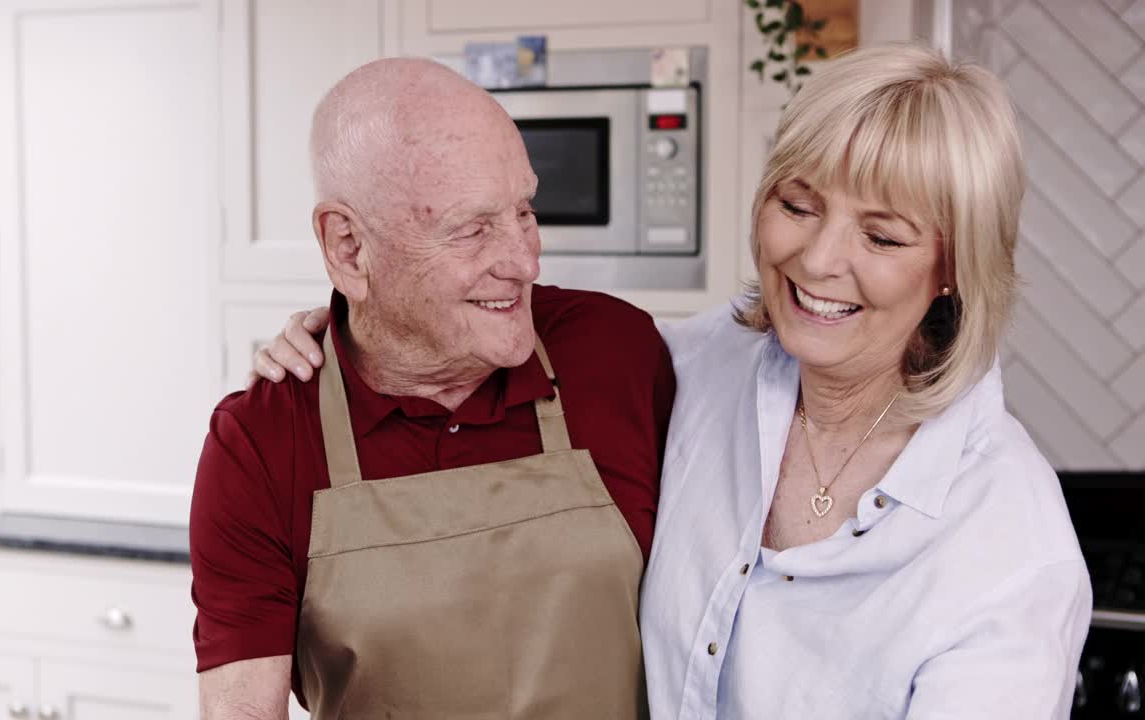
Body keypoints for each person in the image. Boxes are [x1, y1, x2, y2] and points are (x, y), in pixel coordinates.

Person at [252, 43, 1091, 718]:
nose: (818, 259)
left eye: (883, 237)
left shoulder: (1009, 551)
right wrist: (352, 320)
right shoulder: (688, 368)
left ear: (953, 266)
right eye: (798, 205)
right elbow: (459, 321)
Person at [190, 57, 673, 720]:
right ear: (349, 249)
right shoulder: (264, 440)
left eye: (524, 211)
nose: (525, 260)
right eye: (473, 228)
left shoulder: (617, 353)